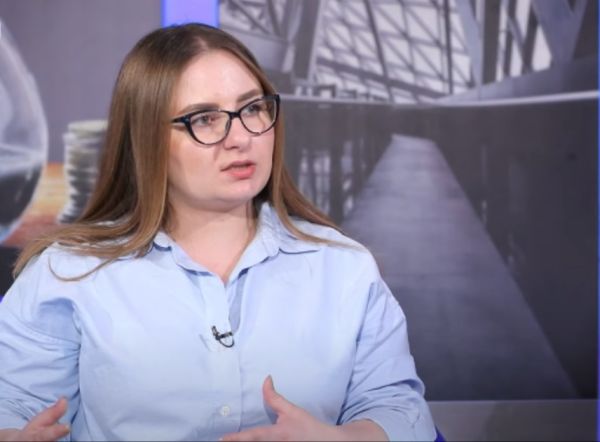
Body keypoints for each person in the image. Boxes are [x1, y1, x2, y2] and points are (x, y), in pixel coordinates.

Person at [0, 23, 435, 441]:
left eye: (253, 108)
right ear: (146, 137)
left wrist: (336, 439)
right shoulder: (68, 274)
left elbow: (398, 410)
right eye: (204, 118)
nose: (240, 137)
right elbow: (13, 407)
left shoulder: (344, 268)